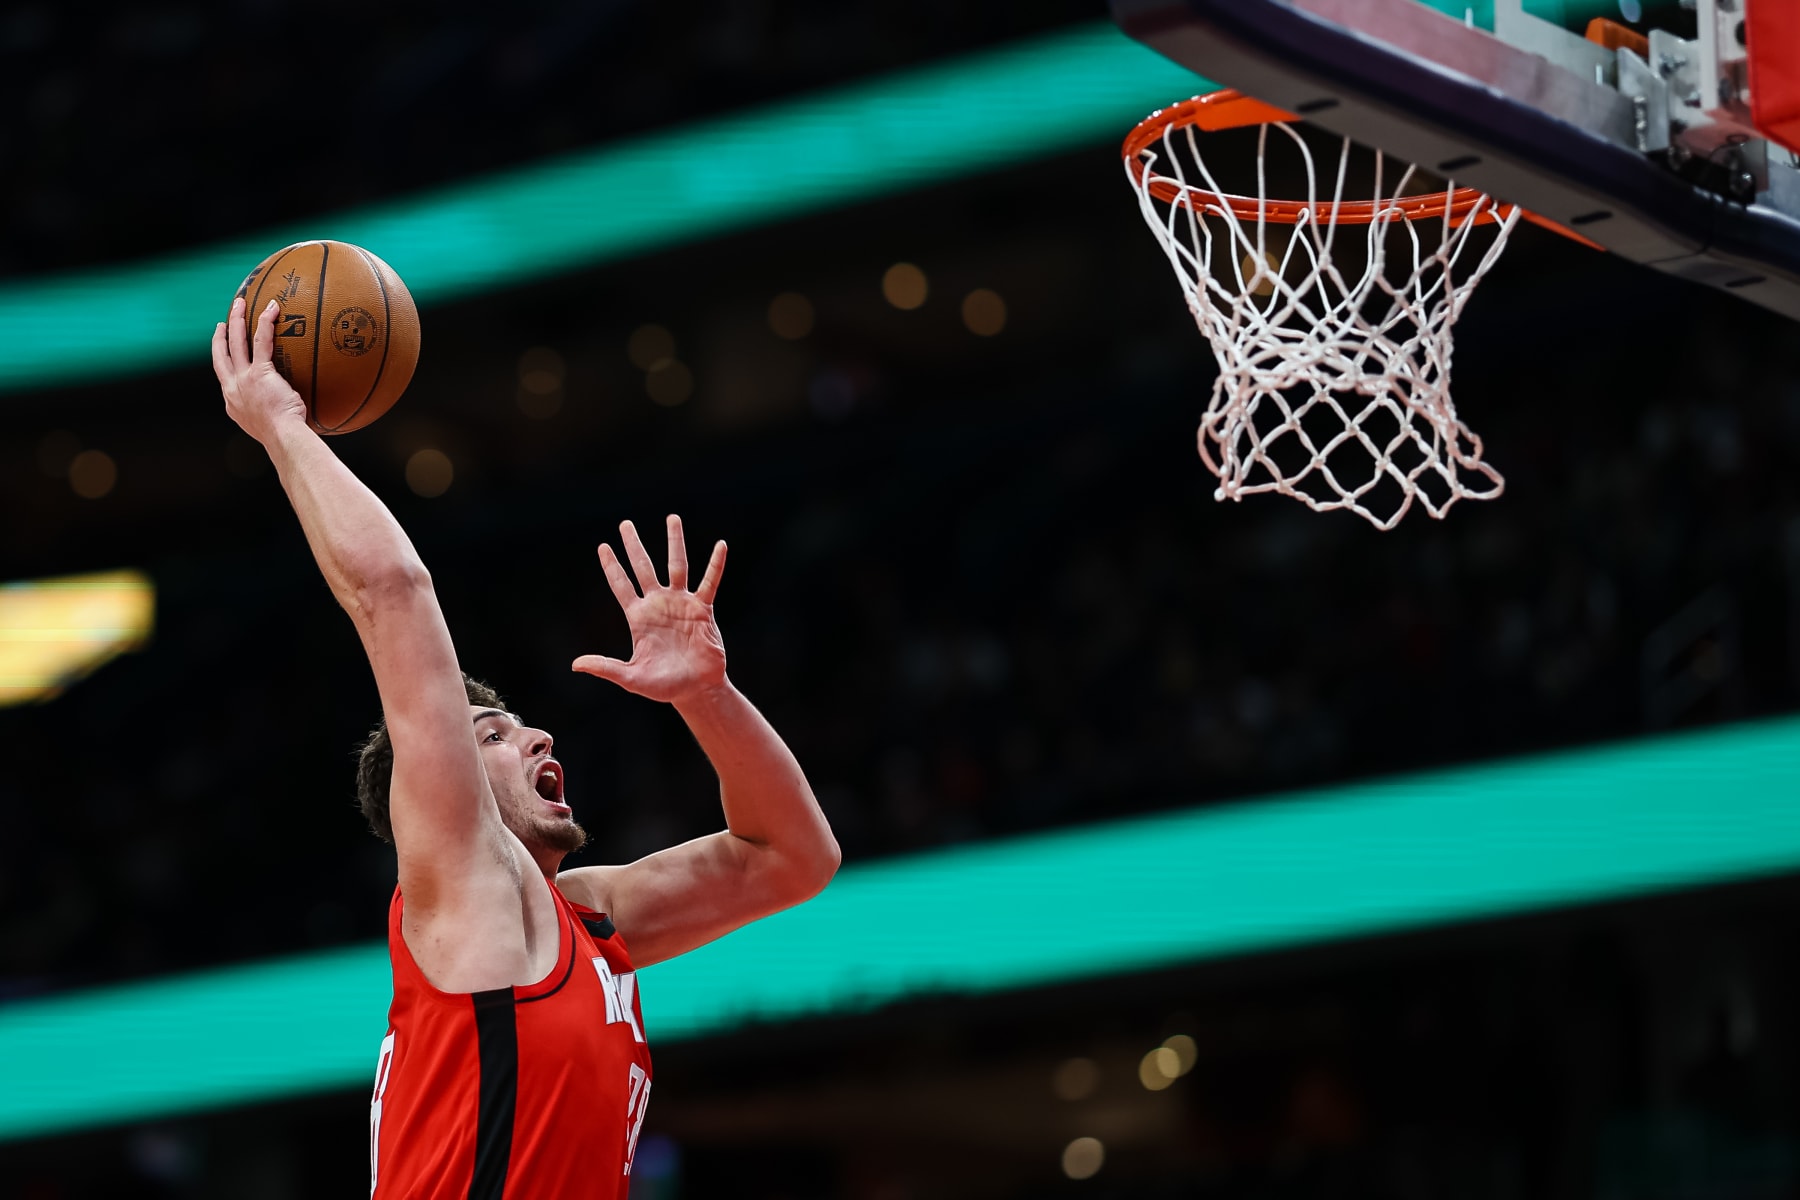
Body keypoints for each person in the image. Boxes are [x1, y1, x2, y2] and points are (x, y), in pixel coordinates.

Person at [210, 296, 841, 1198]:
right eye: (491, 734)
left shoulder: (589, 917)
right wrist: (278, 422)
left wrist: (709, 696)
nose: (537, 731)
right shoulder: (463, 878)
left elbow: (793, 858)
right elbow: (392, 591)